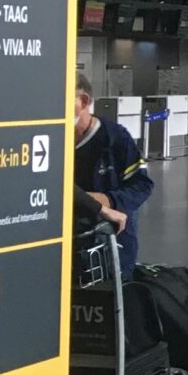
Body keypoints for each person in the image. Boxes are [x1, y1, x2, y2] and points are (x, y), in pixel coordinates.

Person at [72, 74, 154, 268]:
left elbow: (142, 185)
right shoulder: (49, 139)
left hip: (109, 244)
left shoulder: (115, 138)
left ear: (83, 101)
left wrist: (107, 200)